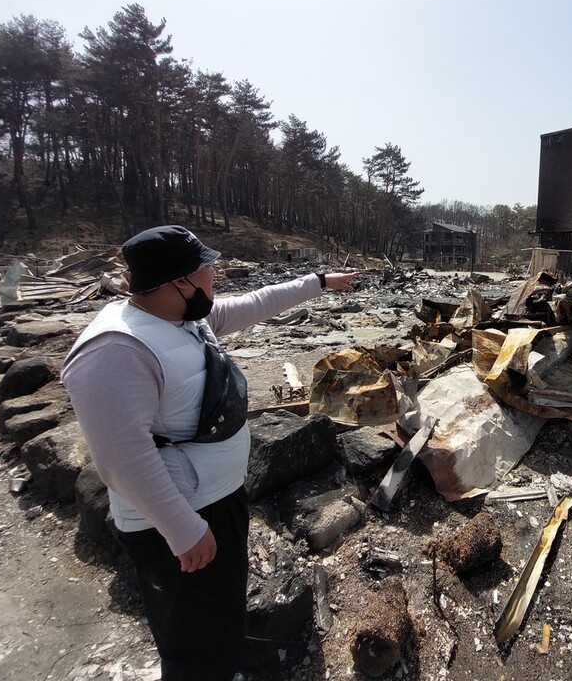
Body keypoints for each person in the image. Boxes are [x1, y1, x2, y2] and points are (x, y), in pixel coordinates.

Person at [61, 225, 356, 680]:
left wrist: (316, 283)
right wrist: (182, 530)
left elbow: (254, 304)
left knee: (216, 620)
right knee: (191, 637)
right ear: (177, 281)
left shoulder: (184, 318)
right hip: (176, 520)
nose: (215, 276)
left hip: (216, 501)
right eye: (206, 269)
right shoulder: (117, 348)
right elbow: (121, 458)